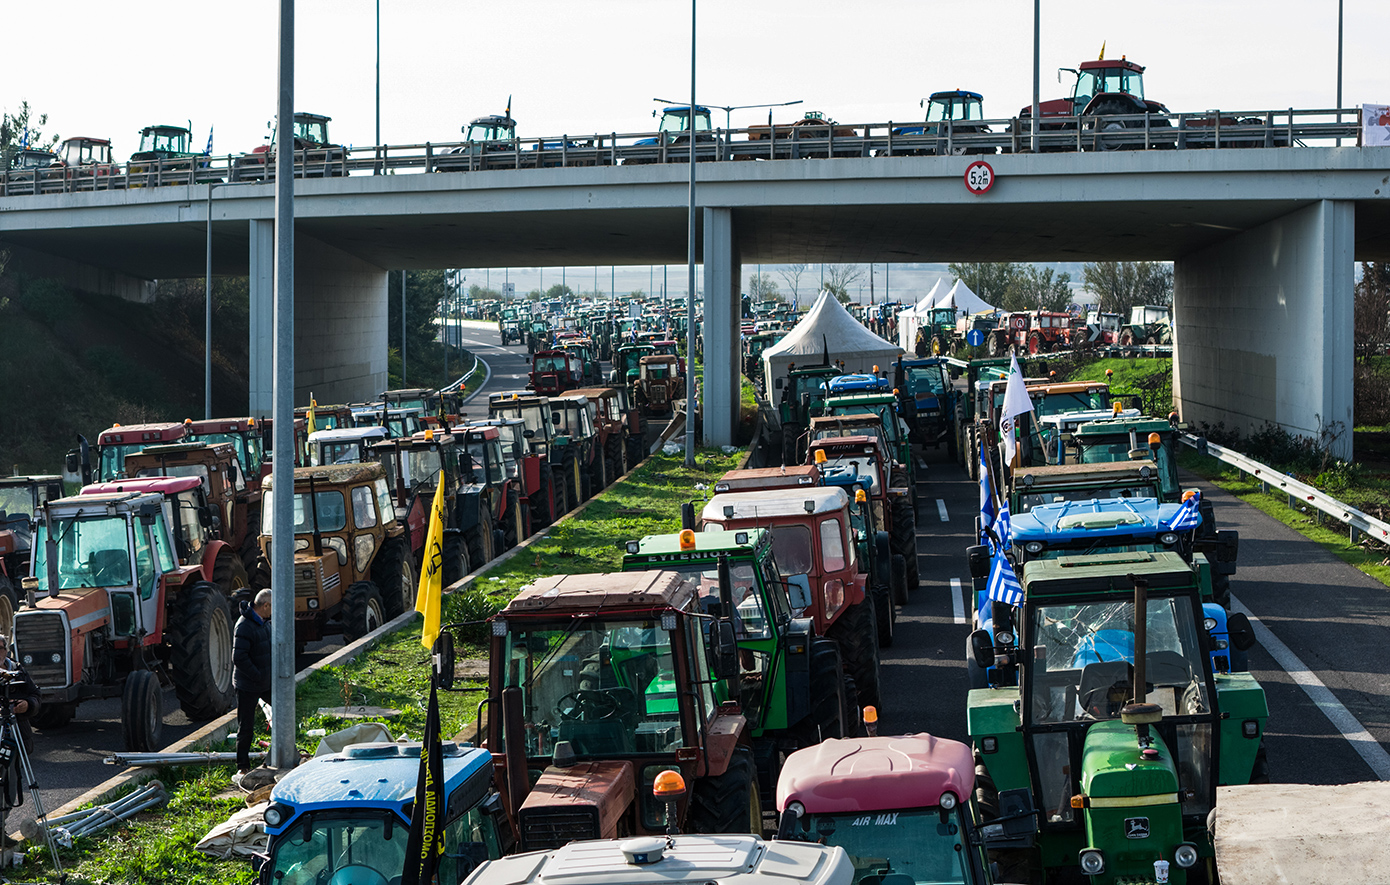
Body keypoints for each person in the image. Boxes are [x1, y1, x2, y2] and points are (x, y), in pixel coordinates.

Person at [233, 589, 273, 774]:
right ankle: (242, 766)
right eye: (272, 607)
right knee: (246, 726)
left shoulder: (264, 623)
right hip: (248, 684)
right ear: (265, 606)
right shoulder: (244, 626)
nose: (274, 611)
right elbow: (239, 657)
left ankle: (281, 752)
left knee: (283, 711)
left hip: (264, 682)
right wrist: (258, 676)